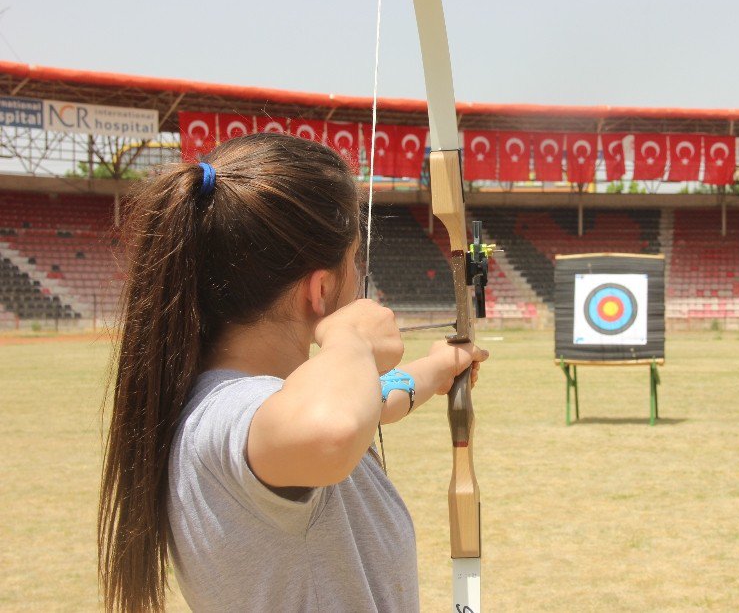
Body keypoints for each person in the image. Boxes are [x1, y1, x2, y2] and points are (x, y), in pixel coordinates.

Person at [98, 133, 488, 612]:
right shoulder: (230, 415)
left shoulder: (247, 404)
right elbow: (332, 429)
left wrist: (439, 368)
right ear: (320, 290)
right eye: (354, 260)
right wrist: (352, 339)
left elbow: (372, 401)